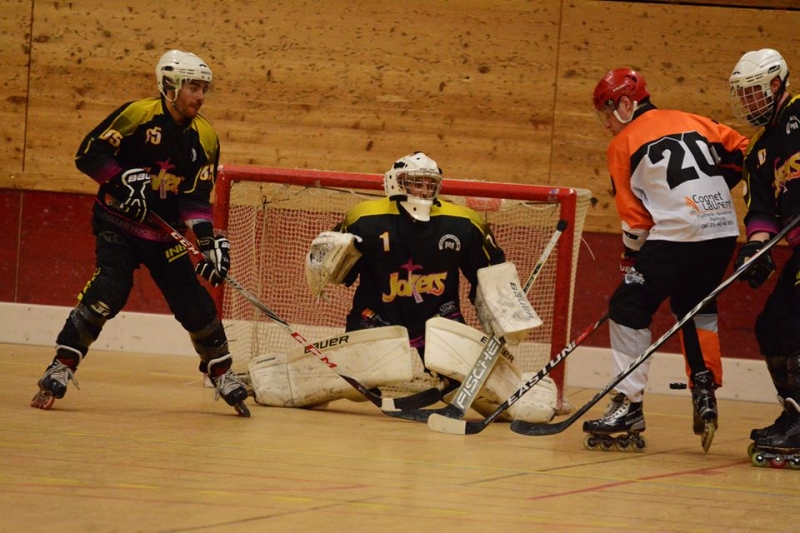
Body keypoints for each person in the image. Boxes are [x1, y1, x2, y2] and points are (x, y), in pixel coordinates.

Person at [247, 152, 558, 422]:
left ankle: (531, 392)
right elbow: (340, 274)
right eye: (415, 182)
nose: (423, 190)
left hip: (440, 320)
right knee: (356, 387)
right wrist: (327, 261)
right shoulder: (365, 218)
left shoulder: (463, 222)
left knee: (467, 383)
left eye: (429, 184)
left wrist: (504, 314)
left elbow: (491, 273)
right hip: (376, 316)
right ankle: (275, 378)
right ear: (397, 182)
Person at [30, 50, 250, 417]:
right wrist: (119, 184)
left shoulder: (205, 137)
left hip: (165, 237)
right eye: (192, 87)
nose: (199, 96)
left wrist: (208, 243)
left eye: (203, 88)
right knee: (108, 290)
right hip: (117, 224)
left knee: (195, 305)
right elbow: (89, 153)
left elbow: (195, 198)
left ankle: (222, 373)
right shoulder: (137, 115)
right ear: (170, 86)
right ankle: (62, 365)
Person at [583, 68, 748, 452]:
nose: (606, 122)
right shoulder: (692, 119)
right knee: (693, 305)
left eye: (607, 112)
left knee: (627, 306)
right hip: (723, 229)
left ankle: (628, 404)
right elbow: (742, 148)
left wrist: (632, 255)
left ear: (627, 103)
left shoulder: (623, 143)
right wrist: (715, 188)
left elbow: (637, 222)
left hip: (680, 233)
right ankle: (704, 387)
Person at [729, 48, 800, 466]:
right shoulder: (758, 149)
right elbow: (761, 212)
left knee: (791, 319)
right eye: (743, 96)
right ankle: (794, 413)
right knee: (772, 325)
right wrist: (757, 250)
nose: (748, 103)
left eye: (753, 93)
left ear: (776, 85)